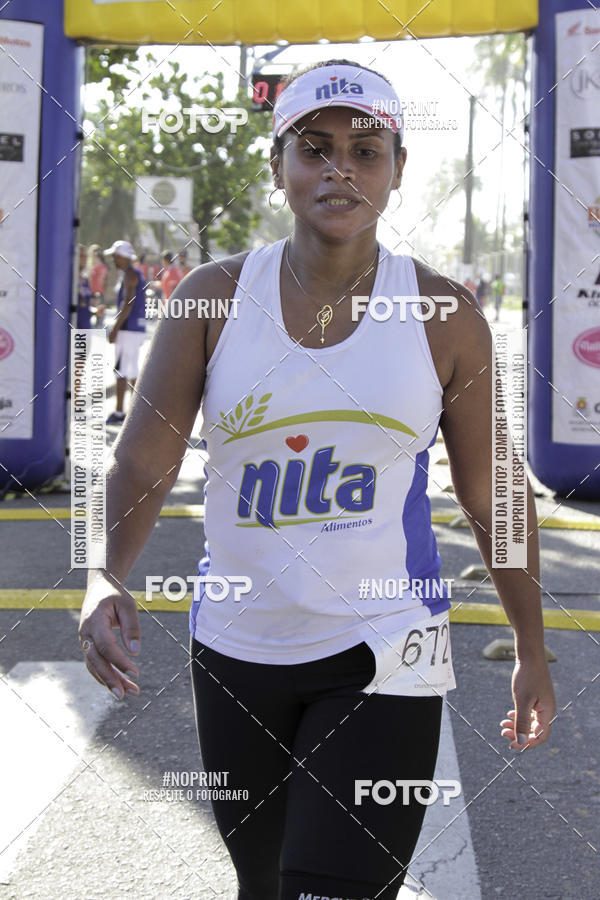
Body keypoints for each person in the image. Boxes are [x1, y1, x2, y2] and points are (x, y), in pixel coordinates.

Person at [79, 60, 556, 899]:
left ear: (399, 170)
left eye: (366, 151)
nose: (341, 169)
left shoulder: (447, 316)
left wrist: (531, 644)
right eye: (315, 147)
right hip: (237, 648)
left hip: (388, 646)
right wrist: (102, 577)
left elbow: (495, 495)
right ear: (278, 166)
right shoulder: (212, 299)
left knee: (331, 889)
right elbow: (142, 462)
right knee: (262, 883)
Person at [103, 240, 147, 425]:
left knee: (122, 371)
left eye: (115, 255)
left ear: (122, 256)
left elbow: (127, 303)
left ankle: (121, 412)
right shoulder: (133, 274)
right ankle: (132, 413)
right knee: (130, 370)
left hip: (128, 329)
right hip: (134, 329)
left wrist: (115, 329)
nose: (113, 258)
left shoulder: (130, 275)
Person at [89, 245, 109, 325]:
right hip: (95, 290)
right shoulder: (97, 266)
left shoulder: (100, 267)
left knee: (98, 308)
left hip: (97, 290)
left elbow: (105, 279)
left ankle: (99, 323)